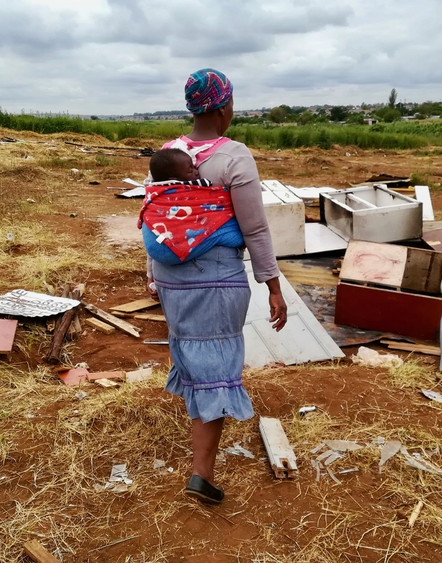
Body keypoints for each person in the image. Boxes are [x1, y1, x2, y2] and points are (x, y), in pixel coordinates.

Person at [141, 68, 287, 505]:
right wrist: (273, 286)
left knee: (195, 357)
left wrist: (153, 271)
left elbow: (156, 217)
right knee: (218, 371)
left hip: (172, 278)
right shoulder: (235, 156)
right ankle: (200, 475)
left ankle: (199, 462)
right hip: (216, 279)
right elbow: (255, 229)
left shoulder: (168, 152)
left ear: (192, 107)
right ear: (224, 107)